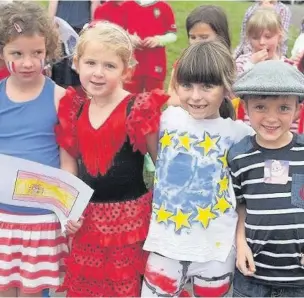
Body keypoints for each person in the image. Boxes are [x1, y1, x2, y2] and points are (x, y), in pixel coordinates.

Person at [55, 21, 168, 297]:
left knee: (125, 288)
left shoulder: (137, 108)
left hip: (131, 224)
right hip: (88, 222)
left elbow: (163, 164)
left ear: (126, 70)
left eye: (109, 66)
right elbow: (69, 164)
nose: (98, 73)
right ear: (77, 64)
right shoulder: (74, 108)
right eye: (91, 63)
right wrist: (70, 209)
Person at [141, 40, 253, 298]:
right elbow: (156, 159)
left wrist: (241, 239)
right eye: (187, 85)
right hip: (166, 246)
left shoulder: (241, 136)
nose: (195, 96)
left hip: (216, 251)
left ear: (227, 87)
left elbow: (245, 197)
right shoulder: (166, 120)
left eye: (207, 86)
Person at [0, 1, 71, 297]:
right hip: (3, 219)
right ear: (2, 52)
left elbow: (68, 161)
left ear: (48, 51)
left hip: (40, 220)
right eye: (17, 53)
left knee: (31, 293)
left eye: (37, 53)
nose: (28, 62)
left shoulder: (59, 97)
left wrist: (66, 212)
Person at [228, 60, 304, 297]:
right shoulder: (239, 155)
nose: (272, 118)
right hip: (252, 279)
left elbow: (298, 200)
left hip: (298, 281)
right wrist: (240, 244)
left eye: (283, 108)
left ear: (297, 109)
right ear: (245, 106)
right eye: (261, 107)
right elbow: (240, 204)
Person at [167, 5, 231, 107]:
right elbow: (171, 99)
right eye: (193, 37)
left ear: (221, 36)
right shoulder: (181, 65)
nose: (197, 42)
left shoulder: (229, 65)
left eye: (204, 37)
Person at [123, 0, 177, 93]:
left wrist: (158, 40)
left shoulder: (164, 7)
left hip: (155, 61)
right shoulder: (126, 6)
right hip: (132, 61)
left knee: (154, 97)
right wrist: (129, 38)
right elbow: (118, 31)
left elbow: (172, 35)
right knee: (130, 97)